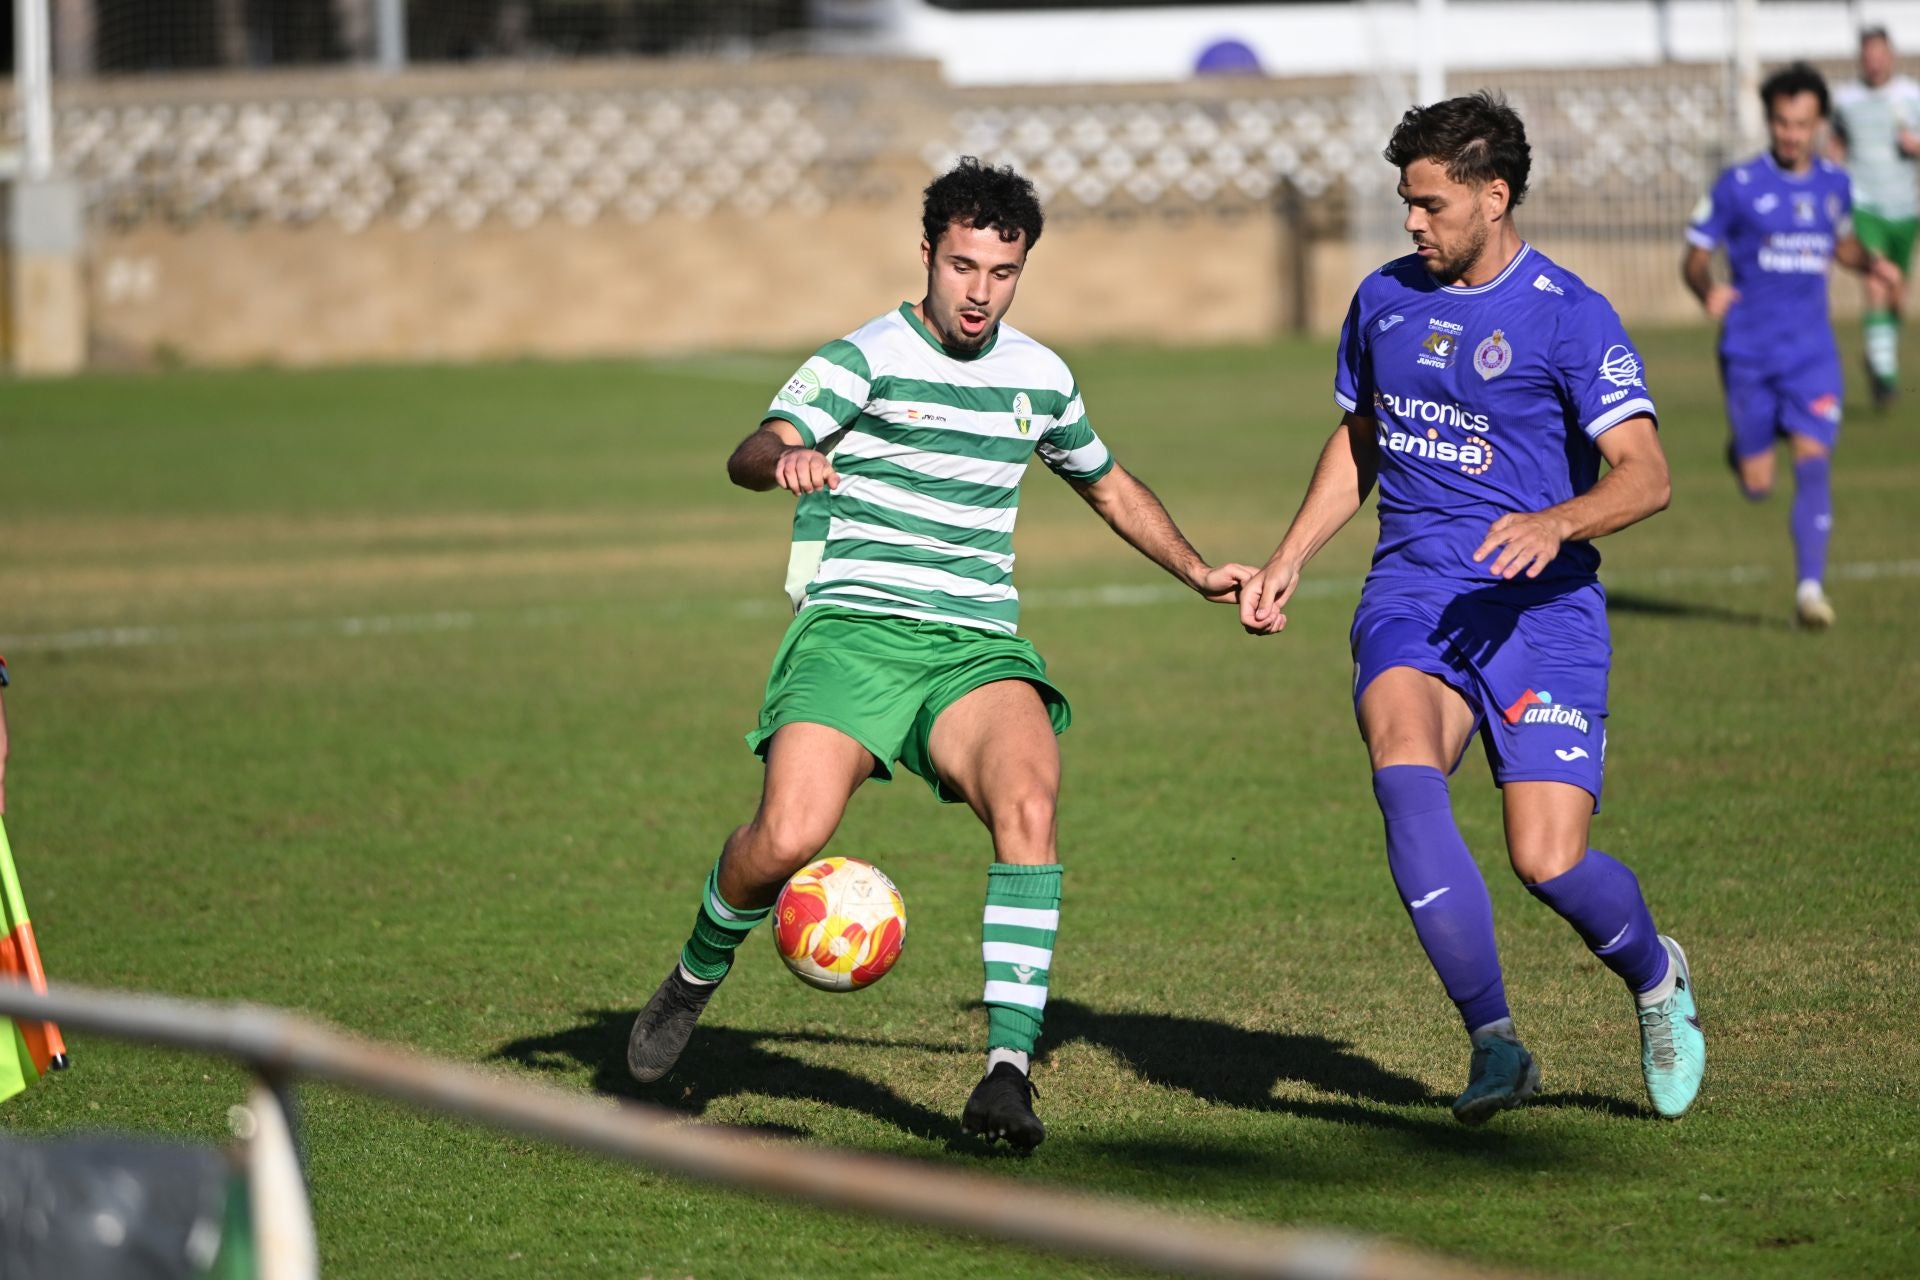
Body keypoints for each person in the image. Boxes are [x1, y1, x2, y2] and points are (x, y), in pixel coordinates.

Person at [624, 157, 1253, 1150]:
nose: (979, 291)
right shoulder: (862, 357)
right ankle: (695, 973)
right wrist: (784, 456)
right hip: (853, 632)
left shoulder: (1041, 376)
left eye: (1002, 272)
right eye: (963, 266)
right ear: (926, 254)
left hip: (973, 646)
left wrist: (1199, 568)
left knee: (1030, 799)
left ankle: (1006, 1072)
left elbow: (1109, 482)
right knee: (788, 836)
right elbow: (754, 446)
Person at [1239, 92, 1704, 1124]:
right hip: (1412, 593)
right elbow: (1361, 439)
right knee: (1404, 773)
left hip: (1542, 614)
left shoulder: (1570, 315)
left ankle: (1657, 976)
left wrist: (1559, 521)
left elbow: (1646, 474)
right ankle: (1495, 1041)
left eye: (1432, 204)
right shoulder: (1382, 301)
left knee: (1548, 859)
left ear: (1495, 198)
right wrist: (1290, 556)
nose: (1413, 222)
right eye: (1406, 201)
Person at [1685, 62, 1902, 629]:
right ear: (1771, 121)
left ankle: (1810, 591)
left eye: (1801, 124)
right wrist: (1707, 290)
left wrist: (1873, 265)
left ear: (1819, 124)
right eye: (1782, 122)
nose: (1791, 134)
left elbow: (1844, 245)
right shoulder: (1738, 185)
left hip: (1812, 355)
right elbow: (1695, 257)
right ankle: (1747, 449)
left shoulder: (1835, 184)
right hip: (1750, 354)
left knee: (1814, 465)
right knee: (1758, 486)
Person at [1830, 27, 1920, 408]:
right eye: (1867, 54)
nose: (1874, 61)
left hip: (1905, 207)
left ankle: (1878, 355)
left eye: (1879, 53)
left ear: (1891, 55)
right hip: (1865, 206)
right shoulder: (1846, 100)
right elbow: (1836, 144)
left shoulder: (1911, 96)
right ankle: (1885, 379)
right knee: (1877, 279)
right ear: (1861, 58)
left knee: (1897, 293)